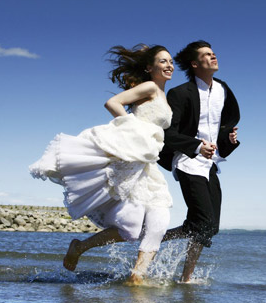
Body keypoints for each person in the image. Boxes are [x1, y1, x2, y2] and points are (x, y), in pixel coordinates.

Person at [29, 44, 174, 285]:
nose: (169, 65)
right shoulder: (149, 87)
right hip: (130, 157)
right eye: (162, 61)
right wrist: (133, 129)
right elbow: (113, 103)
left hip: (146, 165)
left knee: (159, 221)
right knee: (130, 228)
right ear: (150, 68)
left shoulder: (163, 96)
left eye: (170, 61)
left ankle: (137, 276)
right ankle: (80, 247)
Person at [158, 40, 240, 283]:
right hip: (187, 160)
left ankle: (186, 277)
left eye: (213, 53)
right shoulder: (180, 94)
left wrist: (229, 140)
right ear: (195, 64)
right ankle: (153, 238)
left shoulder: (223, 89)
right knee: (202, 222)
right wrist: (196, 146)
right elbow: (168, 133)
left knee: (210, 227)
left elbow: (224, 125)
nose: (213, 56)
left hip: (210, 163)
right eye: (206, 54)